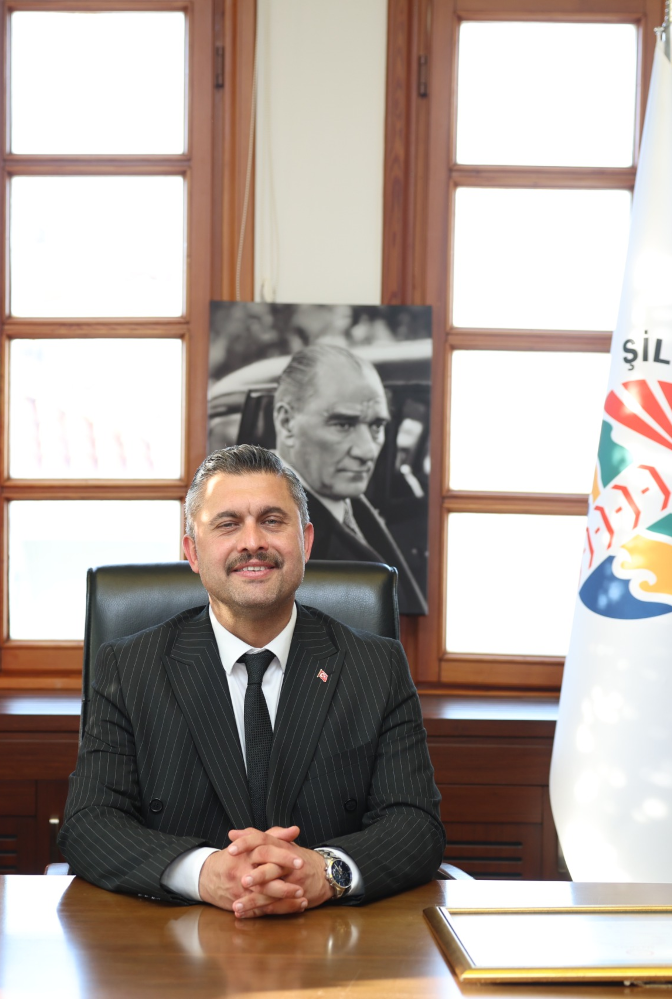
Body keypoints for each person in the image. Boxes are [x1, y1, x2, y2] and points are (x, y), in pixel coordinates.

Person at [58, 445, 444, 917]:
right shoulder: (129, 667)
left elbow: (416, 823)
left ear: (306, 541)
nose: (252, 542)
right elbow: (89, 822)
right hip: (176, 938)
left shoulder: (376, 665)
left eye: (272, 521)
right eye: (227, 524)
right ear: (192, 551)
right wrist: (204, 873)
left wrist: (325, 872)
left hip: (335, 939)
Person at [271, 344, 428, 615]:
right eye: (343, 425)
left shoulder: (343, 502)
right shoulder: (272, 533)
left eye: (377, 426)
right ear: (287, 424)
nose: (367, 451)